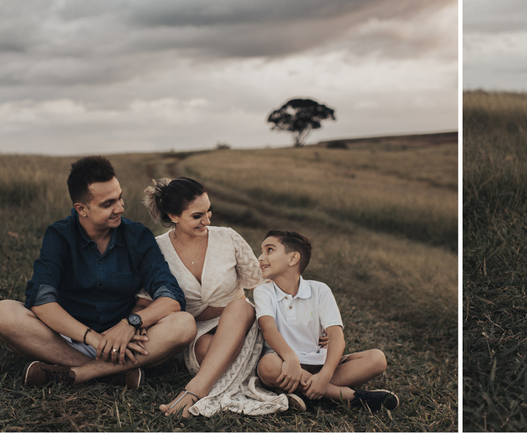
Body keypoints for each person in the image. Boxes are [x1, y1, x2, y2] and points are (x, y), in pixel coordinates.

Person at [0, 156, 196, 389]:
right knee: (2, 313)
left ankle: (77, 374)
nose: (120, 208)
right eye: (107, 204)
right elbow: (41, 300)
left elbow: (171, 296)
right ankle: (113, 373)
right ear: (81, 209)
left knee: (184, 324)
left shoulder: (138, 236)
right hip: (65, 338)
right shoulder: (59, 235)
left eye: (120, 197)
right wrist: (94, 339)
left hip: (124, 339)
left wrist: (130, 323)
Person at [140, 177, 289, 417]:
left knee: (239, 308)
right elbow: (146, 300)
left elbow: (260, 281)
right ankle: (268, 378)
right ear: (173, 216)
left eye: (209, 212)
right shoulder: (156, 249)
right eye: (197, 215)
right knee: (206, 352)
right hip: (198, 331)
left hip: (243, 322)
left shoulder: (227, 237)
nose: (207, 220)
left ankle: (195, 390)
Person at [253, 230, 398, 412]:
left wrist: (325, 375)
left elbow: (336, 335)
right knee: (267, 366)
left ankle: (307, 392)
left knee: (377, 358)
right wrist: (290, 358)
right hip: (284, 365)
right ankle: (351, 397)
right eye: (261, 251)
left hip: (321, 366)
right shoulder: (263, 291)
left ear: (293, 258)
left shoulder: (320, 290)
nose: (260, 257)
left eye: (269, 250)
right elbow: (268, 329)